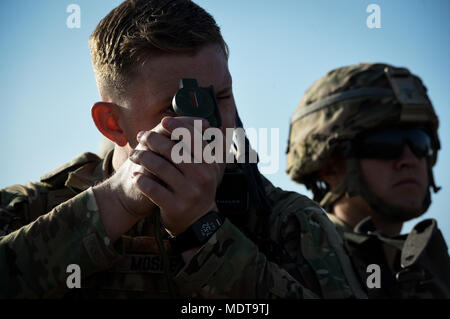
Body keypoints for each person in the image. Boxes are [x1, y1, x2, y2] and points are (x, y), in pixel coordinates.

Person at [0, 0, 365, 299]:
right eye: (178, 108)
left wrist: (204, 233)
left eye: (221, 97)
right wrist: (116, 204)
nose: (211, 125)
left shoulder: (287, 222)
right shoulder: (29, 210)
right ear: (112, 123)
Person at [286, 62, 450, 298]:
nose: (410, 160)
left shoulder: (433, 275)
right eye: (386, 144)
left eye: (419, 142)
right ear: (328, 166)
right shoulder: (288, 270)